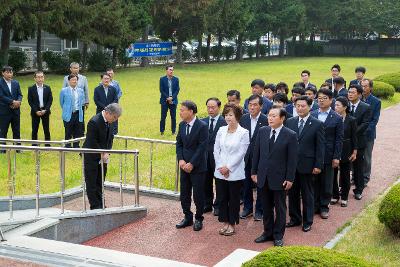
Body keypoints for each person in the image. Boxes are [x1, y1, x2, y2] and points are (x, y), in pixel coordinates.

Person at [252, 107, 298, 246]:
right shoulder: (263, 131)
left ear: (282, 118)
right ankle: (267, 232)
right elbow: (256, 153)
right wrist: (254, 172)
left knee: (280, 208)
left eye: (273, 116)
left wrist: (290, 178)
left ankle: (278, 235)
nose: (270, 118)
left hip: (280, 178)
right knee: (266, 207)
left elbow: (292, 159)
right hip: (263, 176)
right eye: (269, 116)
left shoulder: (290, 135)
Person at [286, 96, 325, 232]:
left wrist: (318, 165)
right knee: (292, 193)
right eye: (298, 106)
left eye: (303, 106)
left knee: (307, 194)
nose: (300, 108)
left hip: (308, 165)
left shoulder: (317, 124)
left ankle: (307, 220)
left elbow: (320, 147)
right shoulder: (289, 122)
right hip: (291, 165)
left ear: (309, 107)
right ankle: (295, 218)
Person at [214, 104, 249, 236]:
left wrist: (228, 167)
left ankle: (232, 223)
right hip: (220, 170)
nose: (228, 117)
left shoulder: (244, 133)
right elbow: (216, 149)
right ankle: (224, 222)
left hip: (234, 172)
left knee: (233, 199)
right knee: (222, 197)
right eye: (226, 115)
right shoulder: (221, 130)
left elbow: (241, 153)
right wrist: (221, 167)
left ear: (237, 117)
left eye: (231, 115)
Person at [176, 100, 208, 231]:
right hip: (184, 166)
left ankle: (199, 218)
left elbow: (202, 147)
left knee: (198, 194)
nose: (180, 112)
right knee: (184, 193)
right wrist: (181, 160)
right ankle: (187, 216)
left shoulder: (202, 126)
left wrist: (192, 163)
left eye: (182, 110)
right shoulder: (182, 125)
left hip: (198, 166)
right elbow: (179, 144)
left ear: (191, 111)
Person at [311, 88, 343, 219]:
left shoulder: (337, 117)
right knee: (313, 181)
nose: (321, 100)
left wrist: (336, 156)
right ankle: (314, 205)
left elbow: (339, 139)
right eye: (319, 98)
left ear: (331, 100)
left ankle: (324, 206)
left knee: (327, 182)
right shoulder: (312, 114)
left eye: (325, 98)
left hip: (329, 155)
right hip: (313, 154)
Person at [83, 103, 121, 210]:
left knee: (100, 182)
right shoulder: (94, 122)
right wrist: (102, 153)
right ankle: (95, 207)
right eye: (114, 117)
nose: (115, 120)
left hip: (103, 157)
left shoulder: (110, 122)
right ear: (108, 113)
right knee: (92, 183)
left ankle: (101, 204)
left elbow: (110, 139)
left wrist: (107, 152)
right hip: (91, 157)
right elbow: (92, 141)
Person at [239, 95, 268, 221]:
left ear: (261, 106)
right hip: (245, 157)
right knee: (245, 184)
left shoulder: (266, 120)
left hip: (261, 158)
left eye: (255, 104)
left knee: (260, 184)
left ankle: (260, 209)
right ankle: (248, 207)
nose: (252, 107)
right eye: (250, 104)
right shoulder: (243, 119)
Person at [201, 97, 227, 216]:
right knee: (206, 181)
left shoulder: (225, 122)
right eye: (208, 107)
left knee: (220, 183)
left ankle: (218, 205)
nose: (210, 110)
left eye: (213, 107)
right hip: (204, 158)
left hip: (219, 158)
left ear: (219, 108)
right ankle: (207, 203)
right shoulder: (202, 122)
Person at [332, 97, 357, 207]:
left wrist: (354, 151)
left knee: (345, 174)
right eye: (335, 105)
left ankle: (345, 197)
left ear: (345, 107)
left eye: (338, 105)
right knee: (333, 174)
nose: (335, 107)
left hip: (346, 149)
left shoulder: (351, 120)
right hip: (333, 149)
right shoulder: (332, 118)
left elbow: (354, 137)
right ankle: (335, 195)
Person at [348, 84, 371, 200]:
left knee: (358, 167)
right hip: (345, 142)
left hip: (359, 141)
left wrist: (350, 132)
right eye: (349, 92)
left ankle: (358, 190)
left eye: (352, 92)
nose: (350, 94)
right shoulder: (344, 105)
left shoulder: (366, 107)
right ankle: (344, 188)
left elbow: (365, 124)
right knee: (344, 166)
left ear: (359, 94)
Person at [361, 78, 381, 186]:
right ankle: (355, 176)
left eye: (365, 86)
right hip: (356, 134)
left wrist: (364, 130)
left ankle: (365, 178)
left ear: (371, 88)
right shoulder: (357, 99)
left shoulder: (376, 101)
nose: (363, 88)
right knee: (356, 156)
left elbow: (375, 120)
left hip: (368, 134)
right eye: (362, 86)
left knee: (366, 157)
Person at [27, 71, 53, 145]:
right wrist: (36, 110)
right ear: (35, 78)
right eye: (38, 77)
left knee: (46, 129)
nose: (40, 79)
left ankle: (47, 144)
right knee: (34, 129)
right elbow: (30, 101)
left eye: (42, 77)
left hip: (45, 111)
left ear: (44, 78)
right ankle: (34, 144)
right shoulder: (31, 89)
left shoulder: (47, 88)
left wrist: (46, 109)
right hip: (35, 112)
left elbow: (50, 100)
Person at [60, 74, 85, 148]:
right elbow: (62, 102)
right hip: (68, 113)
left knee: (77, 130)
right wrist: (67, 109)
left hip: (78, 113)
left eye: (75, 80)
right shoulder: (64, 91)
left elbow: (82, 102)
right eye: (72, 80)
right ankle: (67, 145)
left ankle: (76, 145)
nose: (74, 81)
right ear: (69, 81)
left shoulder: (80, 90)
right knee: (68, 130)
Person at [0, 66, 22, 149]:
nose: (9, 74)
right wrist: (12, 102)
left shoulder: (16, 83)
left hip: (16, 111)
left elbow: (20, 94)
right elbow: (1, 96)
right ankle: (2, 149)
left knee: (16, 130)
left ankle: (18, 148)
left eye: (11, 72)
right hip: (4, 112)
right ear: (3, 73)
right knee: (3, 130)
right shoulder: (0, 83)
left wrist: (19, 101)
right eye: (7, 72)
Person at [160, 65, 180, 135]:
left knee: (173, 117)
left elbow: (177, 90)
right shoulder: (162, 79)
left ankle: (173, 131)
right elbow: (161, 90)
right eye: (170, 70)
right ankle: (162, 131)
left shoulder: (176, 79)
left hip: (173, 100)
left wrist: (172, 98)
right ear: (166, 71)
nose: (171, 71)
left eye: (172, 70)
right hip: (164, 100)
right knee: (163, 117)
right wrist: (167, 98)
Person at [106, 68, 122, 134]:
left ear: (113, 74)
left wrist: (115, 99)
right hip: (106, 104)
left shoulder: (116, 83)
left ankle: (115, 132)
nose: (110, 75)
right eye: (108, 73)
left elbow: (120, 92)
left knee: (115, 117)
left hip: (115, 103)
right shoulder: (101, 83)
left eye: (111, 73)